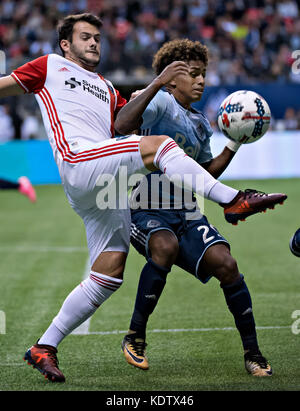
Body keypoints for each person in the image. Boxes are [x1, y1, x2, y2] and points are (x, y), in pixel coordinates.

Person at [0, 13, 286, 383]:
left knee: (108, 275)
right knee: (160, 147)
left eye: (97, 38)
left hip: (103, 184)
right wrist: (159, 84)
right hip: (77, 160)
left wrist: (149, 97)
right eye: (85, 37)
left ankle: (44, 347)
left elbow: (122, 126)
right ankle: (234, 200)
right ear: (65, 44)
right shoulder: (48, 66)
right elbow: (6, 85)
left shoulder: (105, 87)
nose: (94, 43)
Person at [115, 39, 280, 377]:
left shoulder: (201, 123)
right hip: (145, 211)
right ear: (172, 78)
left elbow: (204, 174)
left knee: (227, 264)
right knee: (165, 246)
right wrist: (156, 82)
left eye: (203, 74)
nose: (201, 80)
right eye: (193, 74)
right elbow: (121, 124)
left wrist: (234, 143)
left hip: (187, 214)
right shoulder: (160, 101)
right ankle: (135, 335)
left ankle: (253, 353)